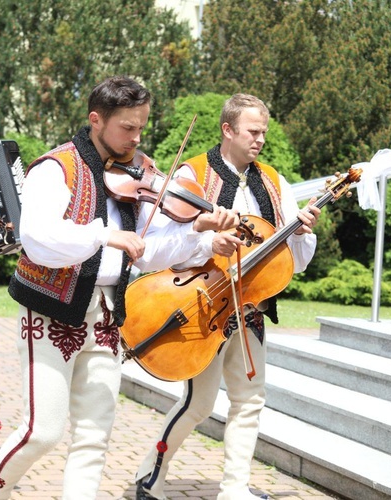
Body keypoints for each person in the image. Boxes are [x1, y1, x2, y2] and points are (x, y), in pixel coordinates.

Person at [0, 76, 239, 500]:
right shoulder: (56, 168)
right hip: (50, 308)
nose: (136, 138)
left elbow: (146, 251)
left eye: (141, 127)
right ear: (96, 120)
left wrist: (202, 239)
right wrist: (102, 235)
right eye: (127, 128)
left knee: (95, 434)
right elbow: (37, 237)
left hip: (108, 312)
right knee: (43, 431)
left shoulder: (138, 175)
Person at [133, 94, 320, 500]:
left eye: (264, 132)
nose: (260, 140)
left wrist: (300, 233)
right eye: (253, 131)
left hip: (250, 307)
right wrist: (207, 242)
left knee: (250, 400)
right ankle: (150, 476)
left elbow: (294, 263)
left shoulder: (273, 180)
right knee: (198, 404)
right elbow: (163, 245)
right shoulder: (193, 172)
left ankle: (234, 490)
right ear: (228, 129)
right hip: (202, 303)